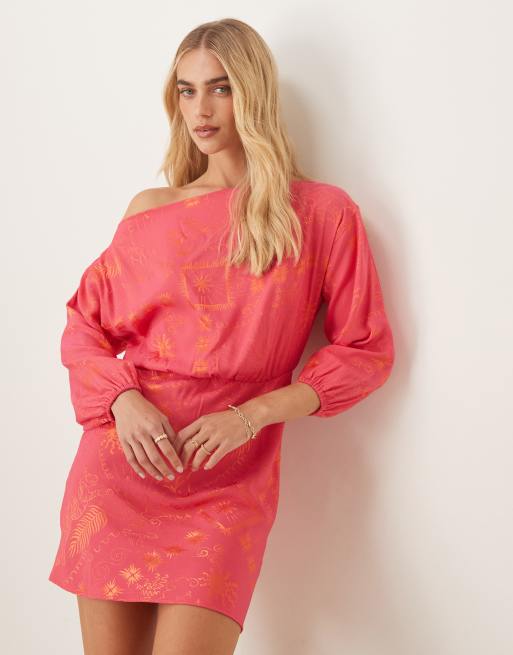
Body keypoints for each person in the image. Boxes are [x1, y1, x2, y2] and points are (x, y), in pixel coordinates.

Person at [48, 17, 395, 655]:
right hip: (122, 467)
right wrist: (122, 400)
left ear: (253, 93)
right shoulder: (152, 210)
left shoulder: (321, 214)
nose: (200, 110)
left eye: (220, 88)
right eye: (186, 90)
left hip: (230, 478)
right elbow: (83, 326)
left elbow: (364, 350)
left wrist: (253, 415)